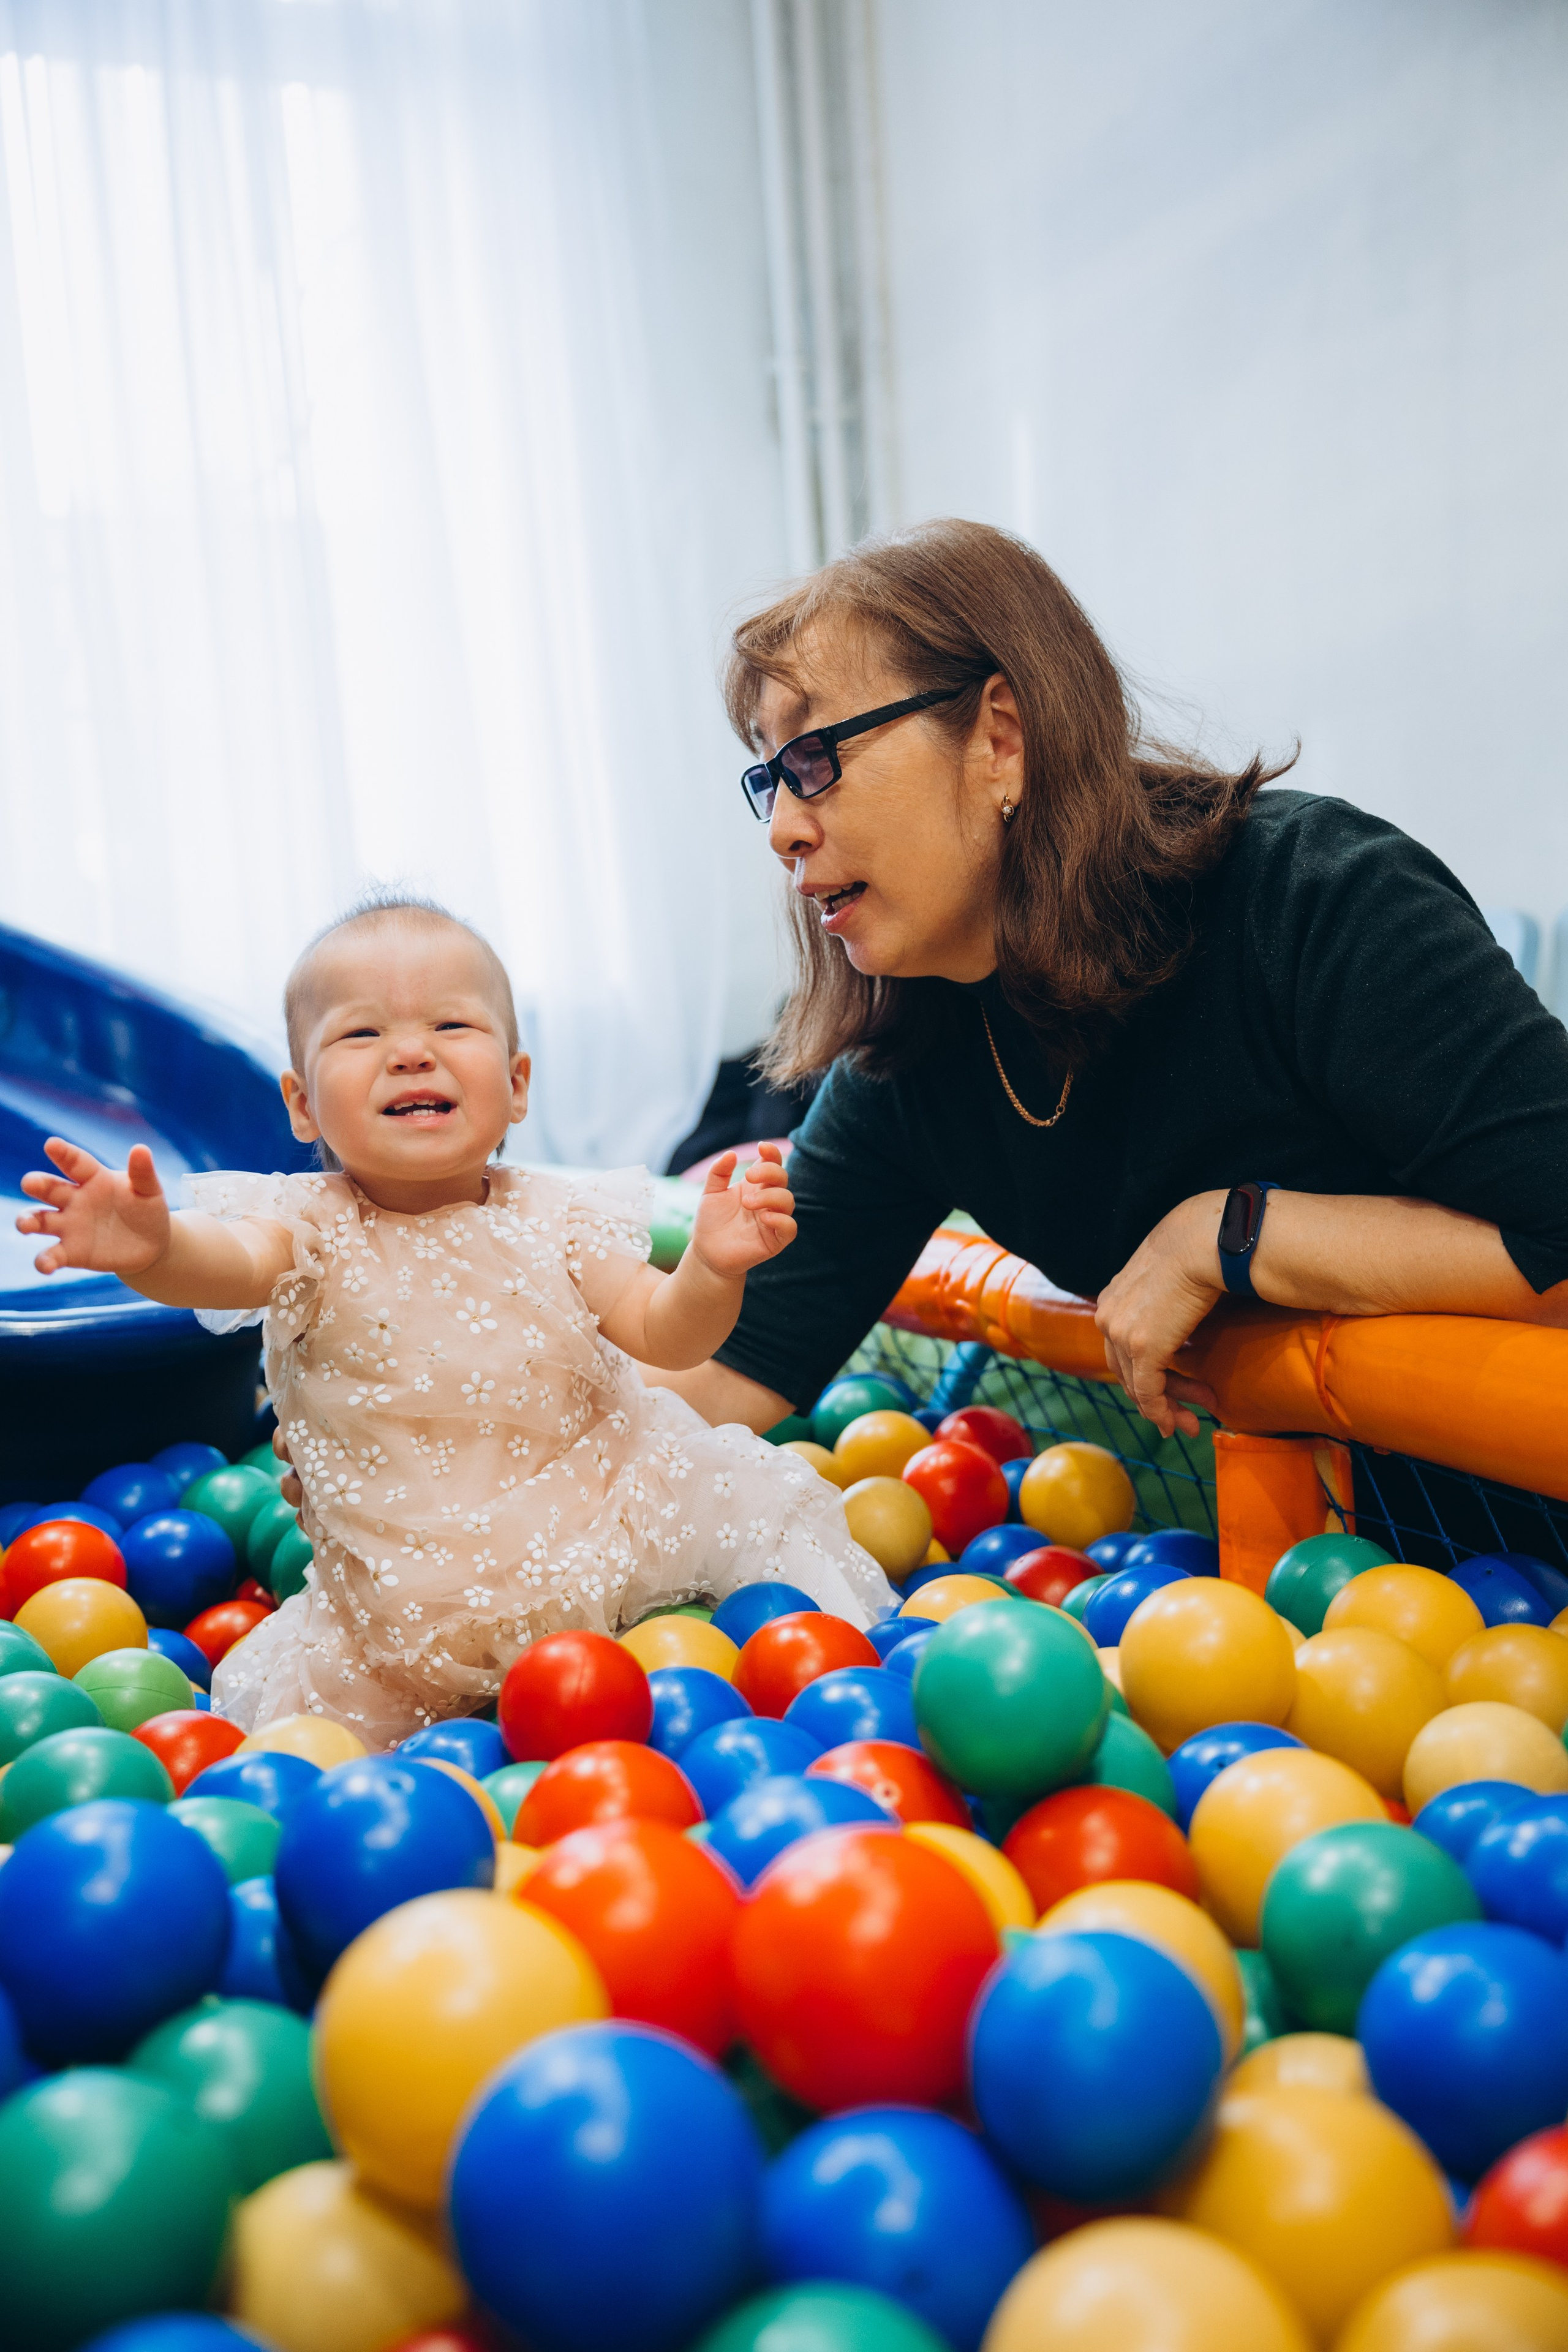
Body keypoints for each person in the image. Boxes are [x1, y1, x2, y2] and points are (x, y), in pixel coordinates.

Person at [650, 517, 1568, 1447]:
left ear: (999, 739)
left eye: (816, 760)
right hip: (1330, 1562)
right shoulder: (913, 1050)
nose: (782, 831)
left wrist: (1231, 1237)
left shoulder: (1310, 897)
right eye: (771, 780)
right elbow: (726, 1376)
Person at [15, 897, 892, 1747]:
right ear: (302, 1104)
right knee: (334, 1752)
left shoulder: (559, 1219)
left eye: (451, 1027)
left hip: (603, 1532)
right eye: (362, 1034)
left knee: (711, 1642)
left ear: (516, 1087)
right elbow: (224, 1261)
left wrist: (709, 1268)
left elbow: (668, 1333)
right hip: (401, 1609)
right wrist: (150, 1243)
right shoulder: (304, 1224)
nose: (410, 1054)